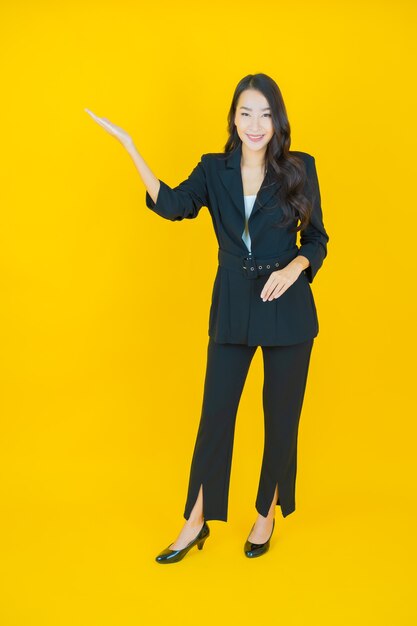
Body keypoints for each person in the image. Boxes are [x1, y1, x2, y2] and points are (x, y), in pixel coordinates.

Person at [85, 72, 329, 562]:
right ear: (233, 118)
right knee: (215, 417)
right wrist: (131, 147)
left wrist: (296, 266)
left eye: (264, 114)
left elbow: (318, 239)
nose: (255, 124)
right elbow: (173, 205)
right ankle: (195, 522)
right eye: (245, 113)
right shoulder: (213, 169)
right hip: (234, 306)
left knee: (282, 419)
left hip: (288, 308)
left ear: (276, 120)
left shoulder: (300, 167)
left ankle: (265, 514)